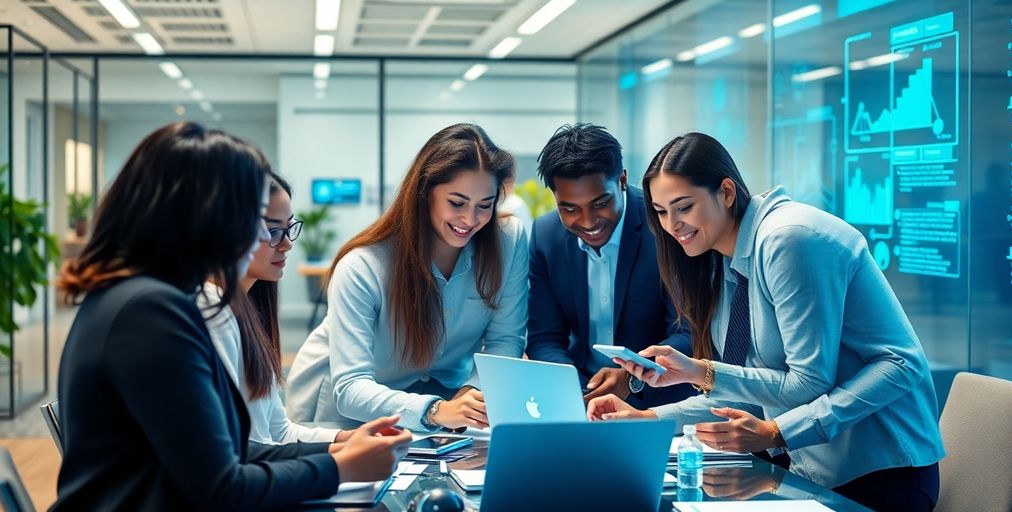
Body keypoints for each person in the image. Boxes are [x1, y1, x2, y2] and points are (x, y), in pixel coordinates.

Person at [53, 122, 411, 510]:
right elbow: (221, 489)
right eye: (253, 217)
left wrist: (338, 453)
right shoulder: (150, 312)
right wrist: (338, 468)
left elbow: (232, 455)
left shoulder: (141, 299)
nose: (263, 238)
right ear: (200, 216)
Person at [588, 132, 944, 511]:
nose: (673, 224)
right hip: (810, 472)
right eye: (660, 211)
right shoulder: (723, 261)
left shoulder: (788, 240)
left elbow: (809, 382)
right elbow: (751, 390)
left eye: (684, 207)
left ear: (726, 192)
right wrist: (647, 419)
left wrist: (714, 382)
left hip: (880, 474)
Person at [287, 123, 528, 431]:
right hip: (349, 406)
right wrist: (436, 410)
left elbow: (505, 340)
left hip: (444, 398)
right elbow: (350, 387)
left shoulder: (508, 241)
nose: (470, 219)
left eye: (485, 205)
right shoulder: (363, 266)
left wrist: (473, 393)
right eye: (456, 203)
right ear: (425, 193)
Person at [526, 123, 695, 407]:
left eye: (600, 203)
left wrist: (633, 377)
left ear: (622, 180)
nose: (588, 221)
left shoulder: (666, 227)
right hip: (581, 400)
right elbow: (544, 338)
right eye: (569, 209)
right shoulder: (546, 237)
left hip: (660, 403)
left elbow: (690, 333)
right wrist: (572, 388)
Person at [198, 170, 348, 445]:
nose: (288, 244)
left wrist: (347, 438)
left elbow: (278, 432)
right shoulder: (210, 309)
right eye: (272, 231)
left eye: (289, 228)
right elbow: (249, 450)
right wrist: (338, 463)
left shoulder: (247, 307)